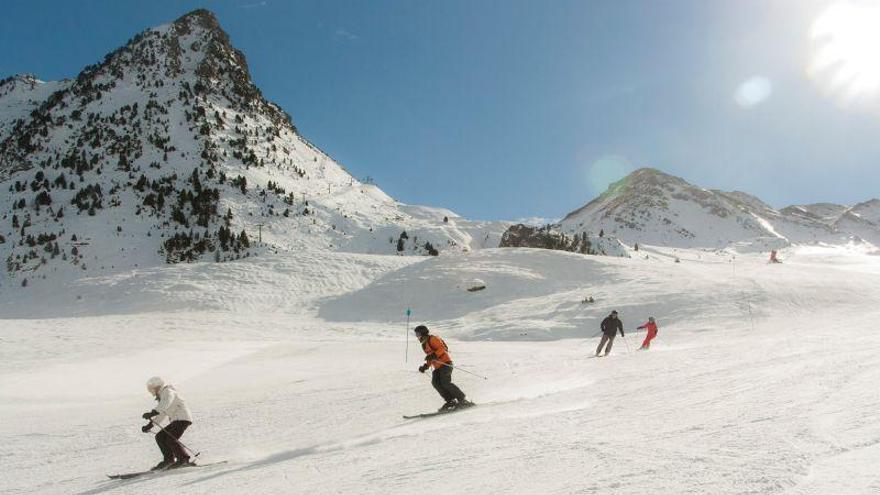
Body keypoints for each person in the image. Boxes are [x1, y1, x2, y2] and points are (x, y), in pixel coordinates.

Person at [415, 325, 474, 411]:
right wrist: (425, 366)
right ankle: (451, 401)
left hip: (446, 363)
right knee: (435, 383)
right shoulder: (424, 345)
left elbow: (442, 348)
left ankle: (462, 400)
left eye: (418, 334)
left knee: (445, 382)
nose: (417, 336)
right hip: (437, 367)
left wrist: (434, 355)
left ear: (423, 333)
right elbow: (429, 357)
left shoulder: (433, 339)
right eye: (416, 334)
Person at [141, 377, 194, 470]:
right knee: (160, 437)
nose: (152, 392)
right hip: (176, 420)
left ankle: (184, 459)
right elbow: (163, 413)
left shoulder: (168, 391)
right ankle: (169, 460)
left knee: (170, 439)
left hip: (182, 419)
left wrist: (153, 412)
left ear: (158, 386)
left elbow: (166, 403)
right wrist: (150, 425)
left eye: (153, 389)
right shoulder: (163, 395)